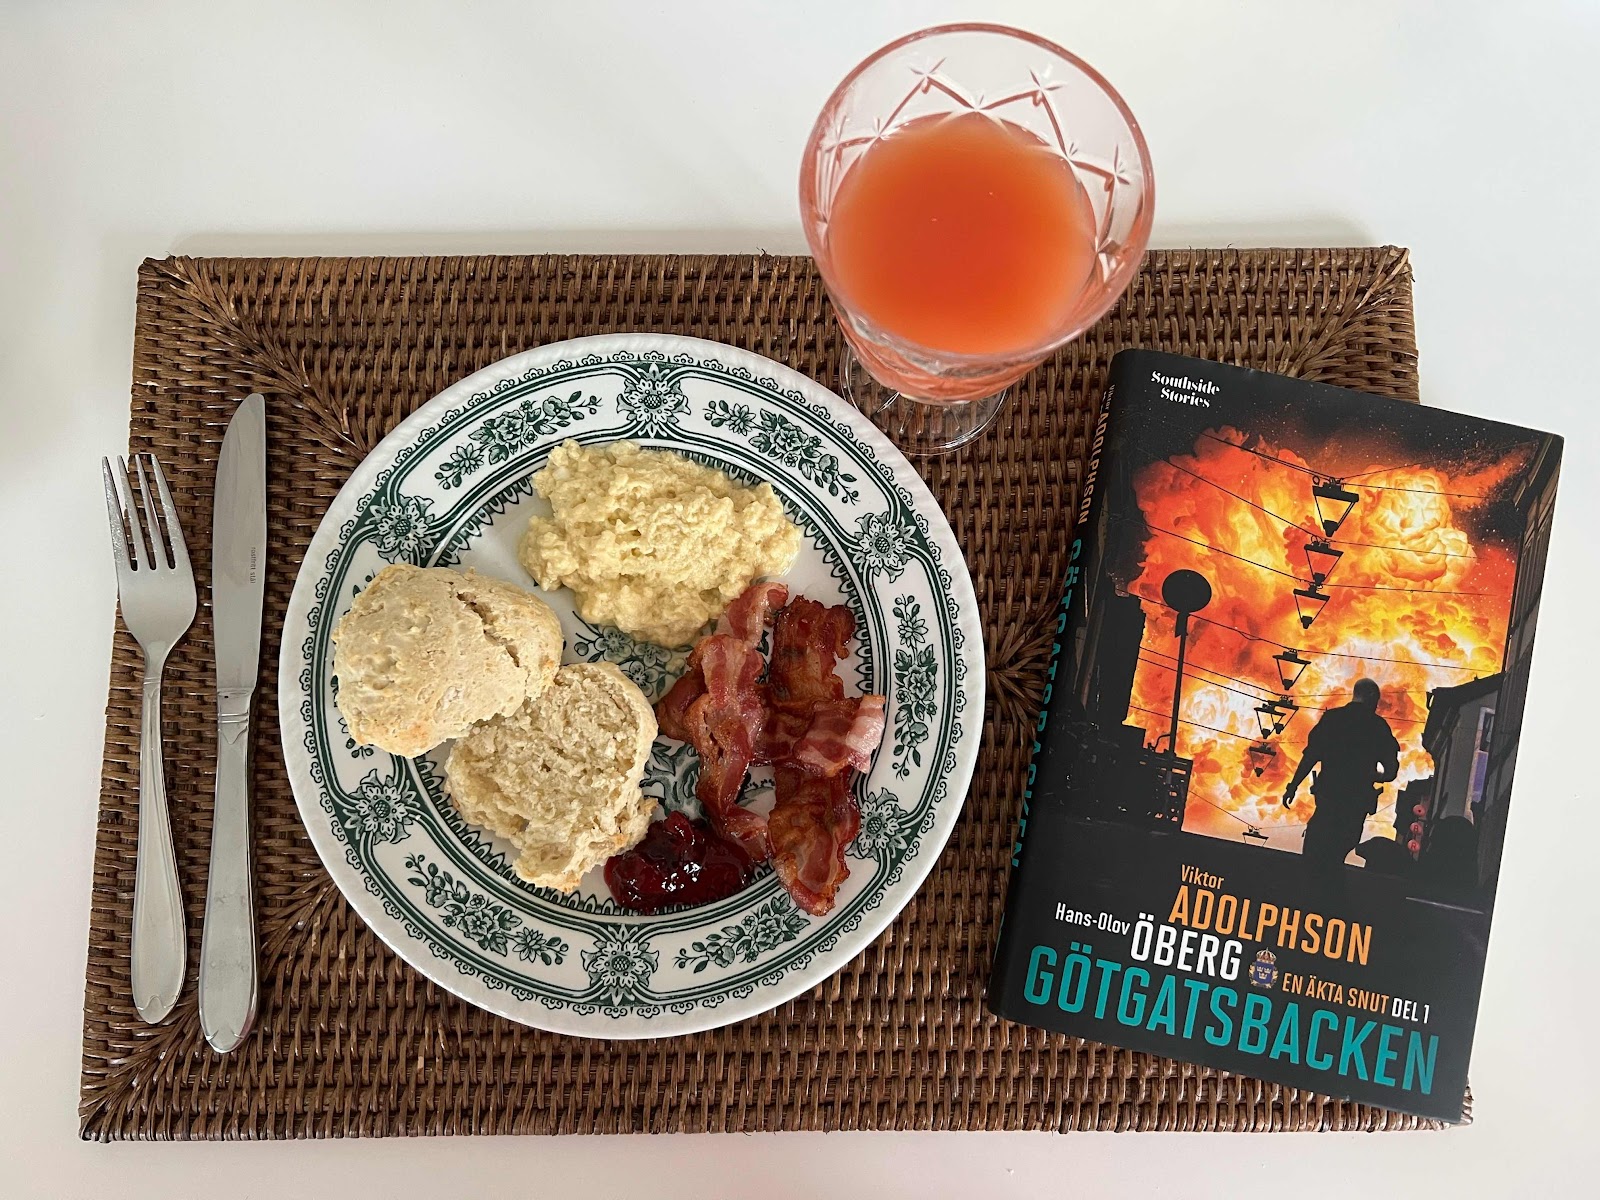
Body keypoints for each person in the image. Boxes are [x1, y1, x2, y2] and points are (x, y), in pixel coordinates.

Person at [1281, 679, 1400, 872]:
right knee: (1338, 854)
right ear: (1371, 697)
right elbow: (1391, 771)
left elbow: (1310, 757)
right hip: (1355, 802)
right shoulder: (1378, 726)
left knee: (1315, 851)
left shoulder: (1332, 719)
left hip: (1329, 796)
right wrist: (1373, 776)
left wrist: (1292, 786)